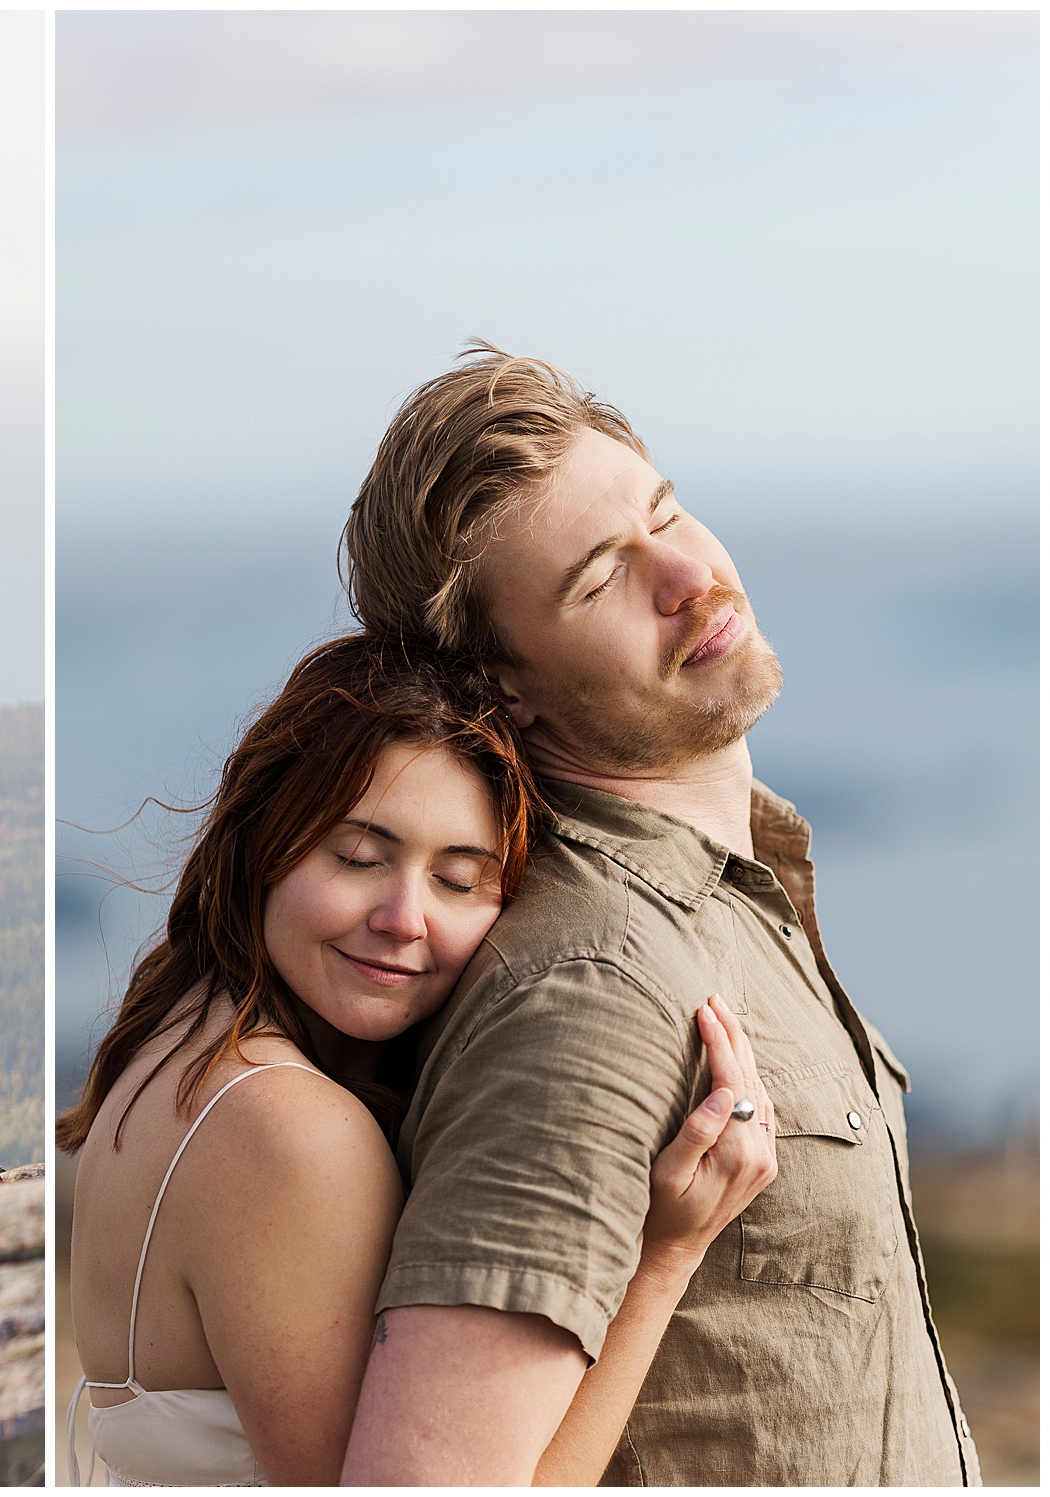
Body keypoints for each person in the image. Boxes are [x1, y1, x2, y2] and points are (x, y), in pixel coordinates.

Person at [337, 345, 977, 1485]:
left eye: (664, 512)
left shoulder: (723, 897)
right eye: (598, 580)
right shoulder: (591, 990)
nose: (683, 575)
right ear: (505, 691)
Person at [60, 638, 777, 1486]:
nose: (405, 917)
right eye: (359, 858)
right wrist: (664, 1258)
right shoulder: (290, 1131)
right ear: (266, 842)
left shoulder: (174, 1041)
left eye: (460, 880)